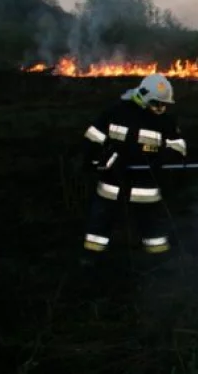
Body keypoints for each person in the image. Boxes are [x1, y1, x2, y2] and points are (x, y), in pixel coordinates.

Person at [80, 72, 187, 260]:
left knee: (155, 240)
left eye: (164, 104)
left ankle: (159, 270)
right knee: (97, 235)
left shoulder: (166, 122)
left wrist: (161, 159)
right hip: (111, 189)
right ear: (142, 96)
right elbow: (92, 140)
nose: (161, 108)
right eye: (157, 103)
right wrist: (102, 158)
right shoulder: (116, 113)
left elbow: (179, 148)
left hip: (146, 192)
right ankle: (91, 266)